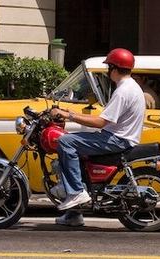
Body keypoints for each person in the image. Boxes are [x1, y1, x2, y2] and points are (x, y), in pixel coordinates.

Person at [49, 48, 145, 226]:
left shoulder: (123, 91)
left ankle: (76, 192)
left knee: (65, 141)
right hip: (117, 136)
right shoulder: (130, 87)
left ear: (114, 68)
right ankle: (74, 215)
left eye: (109, 67)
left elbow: (101, 122)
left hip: (117, 140)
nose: (108, 71)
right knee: (75, 146)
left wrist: (68, 115)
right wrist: (72, 113)